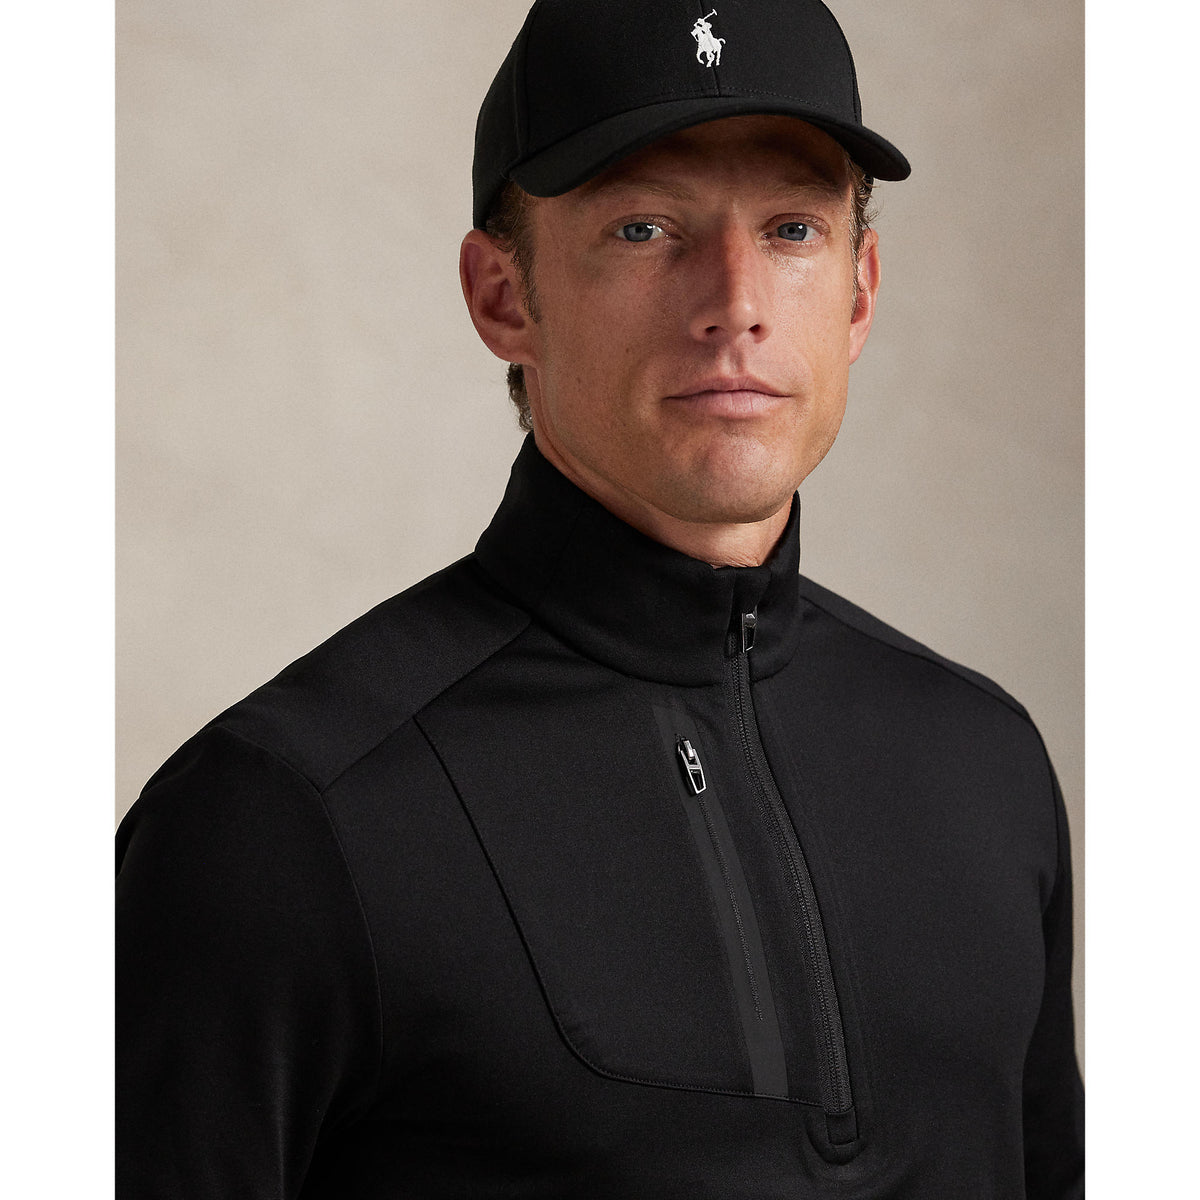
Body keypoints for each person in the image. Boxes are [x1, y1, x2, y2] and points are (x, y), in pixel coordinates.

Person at [116, 0, 1084, 1195]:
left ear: (859, 293)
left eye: (791, 228)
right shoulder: (281, 822)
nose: (735, 299)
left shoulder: (986, 764)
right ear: (502, 297)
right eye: (644, 227)